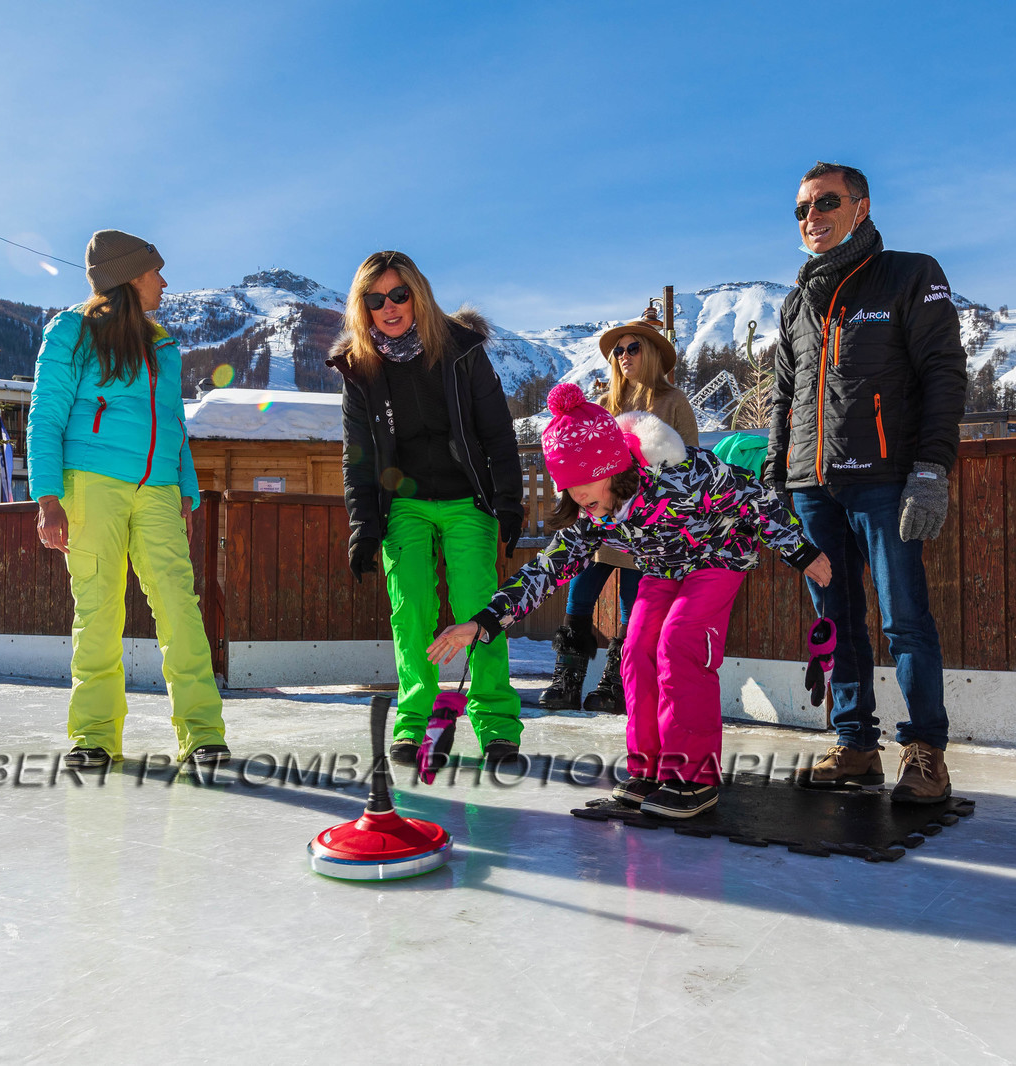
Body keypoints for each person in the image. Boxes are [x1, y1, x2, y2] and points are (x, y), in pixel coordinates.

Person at [429, 384, 832, 818]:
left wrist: (801, 550)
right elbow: (546, 568)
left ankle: (693, 778)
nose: (578, 496)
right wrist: (486, 620)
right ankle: (651, 770)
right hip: (662, 569)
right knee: (636, 649)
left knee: (679, 642)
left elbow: (753, 498)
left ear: (609, 466)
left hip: (718, 557)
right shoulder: (592, 516)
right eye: (568, 487)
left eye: (584, 483)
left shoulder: (679, 474)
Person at [764, 162, 967, 803]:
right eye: (800, 209)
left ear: (862, 206)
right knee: (836, 619)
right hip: (811, 487)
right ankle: (854, 744)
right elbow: (784, 397)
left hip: (883, 480)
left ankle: (925, 751)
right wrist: (776, 480)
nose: (811, 217)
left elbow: (942, 373)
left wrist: (931, 469)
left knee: (905, 618)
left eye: (825, 202)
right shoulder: (796, 300)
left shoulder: (911, 274)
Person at [27, 229, 228, 770]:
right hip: (90, 483)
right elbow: (45, 414)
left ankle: (203, 733)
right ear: (129, 276)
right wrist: (48, 498)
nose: (163, 281)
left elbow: (173, 425)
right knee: (98, 611)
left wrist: (187, 491)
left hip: (160, 491)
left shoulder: (162, 343)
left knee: (180, 609)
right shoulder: (70, 331)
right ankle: (94, 737)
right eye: (155, 271)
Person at [329, 250, 525, 767]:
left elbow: (497, 430)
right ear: (363, 307)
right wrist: (363, 528)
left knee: (478, 608)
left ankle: (497, 725)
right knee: (410, 608)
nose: (389, 307)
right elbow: (359, 457)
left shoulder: (460, 351)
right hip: (405, 505)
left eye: (399, 294)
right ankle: (412, 723)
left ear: (418, 294)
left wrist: (508, 500)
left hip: (467, 499)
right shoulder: (359, 370)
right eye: (376, 299)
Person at [539, 313, 699, 713]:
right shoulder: (602, 407)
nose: (624, 355)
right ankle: (567, 679)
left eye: (633, 347)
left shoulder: (674, 402)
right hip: (601, 522)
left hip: (649, 525)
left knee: (633, 602)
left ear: (653, 354)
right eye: (618, 350)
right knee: (579, 594)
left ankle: (615, 683)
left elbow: (692, 466)